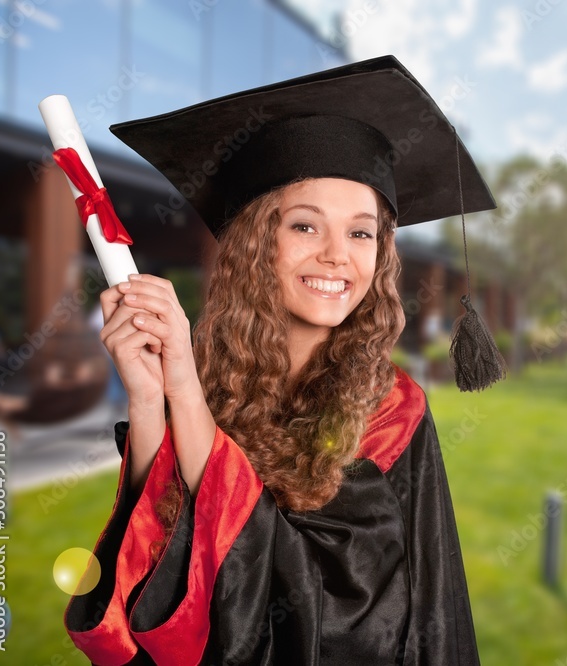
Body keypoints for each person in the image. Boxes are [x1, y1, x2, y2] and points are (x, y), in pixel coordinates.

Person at [63, 56, 501, 664]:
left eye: (360, 233)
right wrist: (149, 402)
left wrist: (184, 397)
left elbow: (339, 615)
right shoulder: (212, 383)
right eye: (304, 226)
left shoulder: (391, 408)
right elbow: (150, 574)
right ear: (253, 244)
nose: (336, 257)